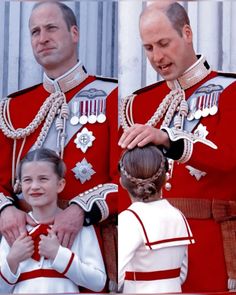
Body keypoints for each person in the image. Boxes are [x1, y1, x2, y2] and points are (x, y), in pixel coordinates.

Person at [0, 1, 118, 292]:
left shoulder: (113, 96)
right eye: (35, 32)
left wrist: (80, 210)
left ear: (74, 33)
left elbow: (128, 181)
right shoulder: (14, 108)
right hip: (24, 251)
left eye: (51, 28)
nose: (42, 38)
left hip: (90, 246)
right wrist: (4, 211)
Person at [119, 1, 236, 293]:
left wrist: (168, 140)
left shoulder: (229, 91)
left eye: (163, 43)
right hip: (151, 254)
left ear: (187, 33)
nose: (157, 57)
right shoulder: (139, 104)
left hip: (212, 250)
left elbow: (227, 160)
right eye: (148, 48)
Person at [0, 148, 106, 294]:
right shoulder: (14, 229)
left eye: (43, 178)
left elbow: (98, 283)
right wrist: (12, 260)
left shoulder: (80, 227)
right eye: (27, 180)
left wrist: (58, 254)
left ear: (60, 184)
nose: (34, 186)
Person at [118, 145, 194, 294]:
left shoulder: (129, 218)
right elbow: (181, 274)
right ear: (165, 178)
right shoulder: (178, 214)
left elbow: (117, 276)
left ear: (122, 182)